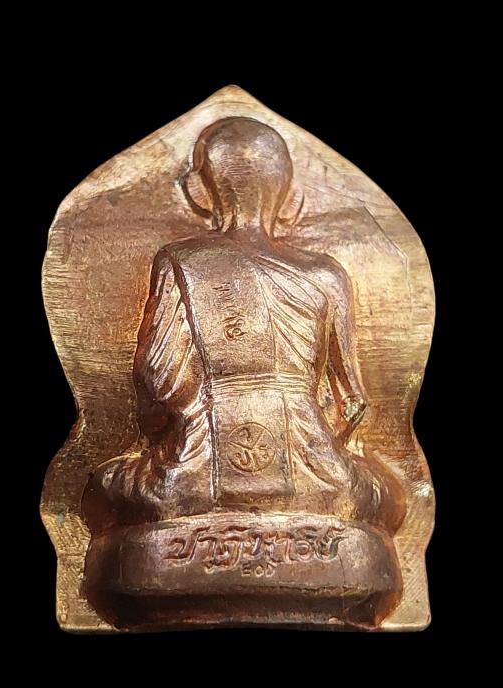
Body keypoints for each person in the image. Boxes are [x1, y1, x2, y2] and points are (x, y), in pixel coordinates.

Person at [82, 117, 405, 537]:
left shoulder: (181, 263)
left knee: (107, 488)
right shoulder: (327, 276)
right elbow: (351, 403)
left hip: (195, 469)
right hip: (319, 469)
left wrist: (168, 434)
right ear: (289, 196)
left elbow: (158, 380)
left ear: (199, 193)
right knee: (384, 495)